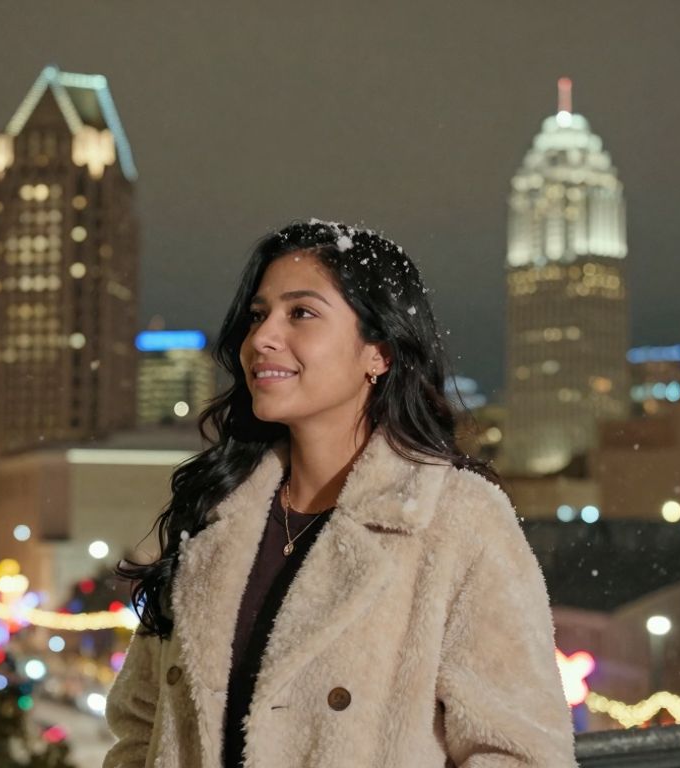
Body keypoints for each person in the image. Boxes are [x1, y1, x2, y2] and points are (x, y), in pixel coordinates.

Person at [104, 220, 575, 767]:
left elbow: (519, 752)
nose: (262, 339)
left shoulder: (455, 519)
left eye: (300, 313)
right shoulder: (216, 512)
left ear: (379, 352)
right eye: (258, 316)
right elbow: (140, 725)